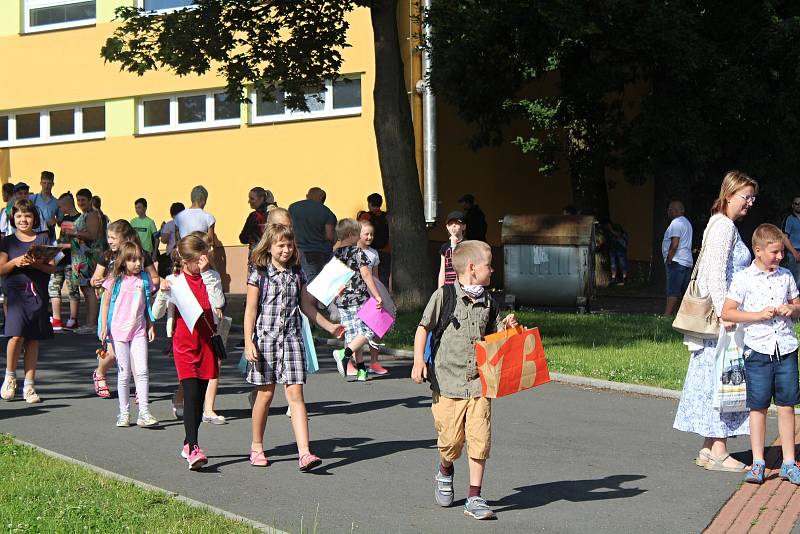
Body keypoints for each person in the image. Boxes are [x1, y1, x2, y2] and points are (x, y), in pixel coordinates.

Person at [411, 240, 518, 520]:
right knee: (450, 442)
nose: (493, 270)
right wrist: (418, 361)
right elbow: (423, 328)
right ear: (472, 268)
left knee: (480, 439)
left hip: (479, 382)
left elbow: (494, 338)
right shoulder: (444, 297)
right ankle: (445, 469)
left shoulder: (490, 302)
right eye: (489, 265)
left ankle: (475, 496)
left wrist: (508, 328)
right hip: (447, 384)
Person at [673, 170, 758, 472]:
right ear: (729, 194)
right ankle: (720, 450)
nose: (750, 202)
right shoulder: (723, 226)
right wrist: (726, 314)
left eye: (752, 198)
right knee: (724, 381)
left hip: (719, 320)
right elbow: (715, 275)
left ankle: (709, 449)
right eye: (746, 196)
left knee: (714, 379)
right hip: (721, 321)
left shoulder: (719, 224)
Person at [243, 223, 343, 471]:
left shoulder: (297, 274)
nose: (286, 250)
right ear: (270, 246)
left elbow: (306, 306)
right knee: (265, 395)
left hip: (292, 341)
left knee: (296, 395)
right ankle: (257, 446)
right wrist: (248, 341)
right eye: (281, 245)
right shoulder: (259, 273)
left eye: (289, 245)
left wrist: (329, 327)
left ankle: (305, 453)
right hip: (265, 341)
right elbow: (250, 310)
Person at [721, 224, 800, 485]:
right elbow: (728, 312)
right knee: (758, 406)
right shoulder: (744, 278)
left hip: (785, 348)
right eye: (775, 252)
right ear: (758, 250)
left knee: (787, 405)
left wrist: (791, 308)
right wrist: (756, 315)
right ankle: (758, 462)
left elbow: (797, 304)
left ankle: (789, 462)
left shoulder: (786, 276)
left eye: (781, 252)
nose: (779, 256)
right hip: (757, 350)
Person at [152, 234, 224, 470]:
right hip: (184, 343)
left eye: (205, 257)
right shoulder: (174, 280)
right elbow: (157, 314)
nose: (203, 261)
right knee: (191, 394)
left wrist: (205, 273)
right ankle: (194, 447)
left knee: (199, 397)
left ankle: (187, 442)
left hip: (206, 343)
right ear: (185, 260)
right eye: (198, 259)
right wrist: (162, 292)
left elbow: (218, 303)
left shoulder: (210, 277)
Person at [89, 220, 160, 399]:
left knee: (137, 354)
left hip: (136, 310)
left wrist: (147, 284)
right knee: (113, 353)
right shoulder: (106, 256)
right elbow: (95, 278)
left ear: (126, 238)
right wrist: (98, 281)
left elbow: (155, 278)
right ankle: (100, 373)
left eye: (113, 238)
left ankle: (139, 389)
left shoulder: (140, 255)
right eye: (108, 237)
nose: (110, 241)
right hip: (115, 310)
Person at [0, 199, 56, 403]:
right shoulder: (7, 241)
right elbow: (1, 269)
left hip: (37, 293)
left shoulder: (43, 238)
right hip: (15, 294)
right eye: (19, 216)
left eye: (28, 215)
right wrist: (15, 262)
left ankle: (29, 386)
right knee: (16, 335)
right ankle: (10, 377)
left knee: (33, 338)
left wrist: (37, 264)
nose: (23, 219)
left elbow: (51, 268)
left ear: (34, 218)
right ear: (13, 218)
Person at [99, 241, 158, 428]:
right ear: (123, 261)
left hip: (139, 330)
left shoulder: (144, 280)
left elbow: (146, 304)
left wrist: (150, 325)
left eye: (139, 259)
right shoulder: (114, 280)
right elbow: (106, 304)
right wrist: (103, 327)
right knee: (124, 374)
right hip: (118, 331)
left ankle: (144, 412)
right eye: (132, 260)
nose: (137, 263)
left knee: (142, 371)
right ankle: (123, 413)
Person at [330, 219, 383, 382]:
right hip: (359, 298)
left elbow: (333, 276)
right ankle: (344, 354)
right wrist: (376, 295)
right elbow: (367, 275)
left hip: (342, 300)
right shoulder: (357, 252)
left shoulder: (336, 253)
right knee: (369, 330)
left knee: (354, 336)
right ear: (352, 235)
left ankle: (361, 370)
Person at [63, 188, 104, 335]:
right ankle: (89, 322)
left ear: (90, 200)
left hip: (88, 257)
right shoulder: (86, 214)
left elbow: (92, 235)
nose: (80, 203)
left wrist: (74, 232)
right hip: (81, 258)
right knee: (85, 290)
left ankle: (91, 324)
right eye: (78, 200)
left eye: (83, 200)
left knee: (89, 289)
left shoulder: (92, 215)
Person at [357, 219, 391, 376]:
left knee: (376, 326)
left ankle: (374, 361)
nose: (369, 237)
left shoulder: (374, 253)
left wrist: (380, 293)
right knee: (357, 329)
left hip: (372, 292)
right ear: (358, 234)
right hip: (357, 293)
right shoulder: (352, 252)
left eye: (372, 234)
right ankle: (355, 362)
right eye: (366, 234)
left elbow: (375, 276)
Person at [288, 187, 336, 282]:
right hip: (320, 253)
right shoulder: (327, 212)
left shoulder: (293, 207)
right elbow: (329, 236)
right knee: (317, 284)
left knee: (299, 281)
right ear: (323, 199)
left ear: (307, 196)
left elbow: (288, 228)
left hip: (296, 252)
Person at [48, 192, 81, 331]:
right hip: (60, 259)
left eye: (61, 206)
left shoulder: (81, 220)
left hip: (73, 260)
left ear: (68, 205)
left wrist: (64, 246)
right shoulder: (65, 220)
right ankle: (57, 320)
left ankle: (73, 319)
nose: (60, 209)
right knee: (54, 287)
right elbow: (62, 239)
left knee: (73, 289)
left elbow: (81, 242)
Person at [662, 201, 694, 315]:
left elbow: (675, 243)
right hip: (686, 261)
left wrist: (669, 258)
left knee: (673, 291)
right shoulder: (687, 223)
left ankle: (666, 316)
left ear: (676, 210)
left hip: (677, 261)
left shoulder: (676, 223)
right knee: (683, 291)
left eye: (670, 209)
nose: (669, 212)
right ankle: (680, 316)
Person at [357, 193, 391, 288]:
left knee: (368, 276)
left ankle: (372, 299)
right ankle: (381, 296)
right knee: (383, 277)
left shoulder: (366, 216)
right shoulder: (387, 216)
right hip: (386, 250)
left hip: (370, 250)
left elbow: (358, 230)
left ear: (370, 203)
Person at [438, 211, 466, 287]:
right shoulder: (445, 247)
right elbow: (442, 271)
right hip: (448, 286)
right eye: (450, 223)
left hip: (463, 287)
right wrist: (440, 290)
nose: (453, 225)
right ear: (447, 227)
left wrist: (454, 244)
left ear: (464, 226)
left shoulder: (467, 245)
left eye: (457, 223)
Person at [158, 202, 185, 279]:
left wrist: (163, 230)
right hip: (185, 252)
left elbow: (164, 240)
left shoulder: (169, 225)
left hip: (172, 254)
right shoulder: (187, 223)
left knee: (172, 275)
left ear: (172, 214)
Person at [31, 171, 60, 241]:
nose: (46, 186)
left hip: (50, 237)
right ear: (40, 183)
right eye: (44, 183)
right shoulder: (32, 198)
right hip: (34, 234)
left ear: (53, 184)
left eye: (49, 183)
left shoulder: (57, 202)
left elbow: (60, 220)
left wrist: (56, 220)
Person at [781, 196, 800, 287]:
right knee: (795, 281)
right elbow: (784, 237)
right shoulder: (789, 219)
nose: (798, 205)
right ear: (793, 205)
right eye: (796, 203)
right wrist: (794, 253)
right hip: (794, 253)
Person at [606, 221, 629, 285]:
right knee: (613, 265)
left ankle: (625, 278)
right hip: (613, 251)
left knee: (623, 264)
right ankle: (614, 279)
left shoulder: (623, 234)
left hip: (621, 251)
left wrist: (610, 229)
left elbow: (618, 235)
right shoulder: (611, 235)